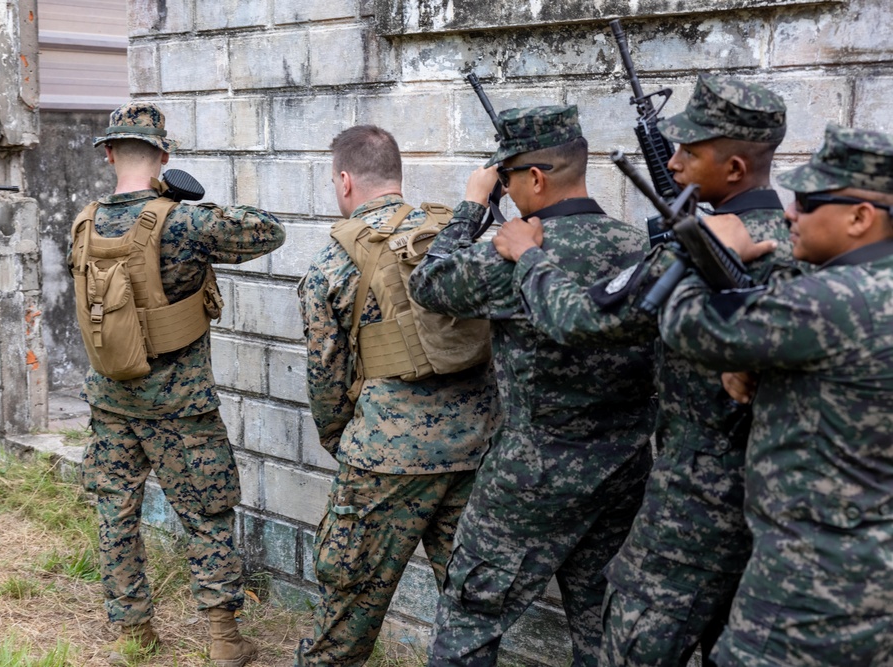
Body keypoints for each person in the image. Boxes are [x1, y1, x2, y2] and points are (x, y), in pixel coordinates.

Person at [491, 76, 792, 666]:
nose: (674, 160)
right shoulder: (800, 242)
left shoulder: (699, 246)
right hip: (773, 504)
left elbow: (580, 320)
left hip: (695, 500)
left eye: (691, 151)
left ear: (733, 167)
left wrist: (526, 254)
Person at [409, 106, 655, 666]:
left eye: (509, 177)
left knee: (470, 620)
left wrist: (473, 207)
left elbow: (427, 282)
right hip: (625, 468)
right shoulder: (641, 249)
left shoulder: (515, 250)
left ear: (535, 178)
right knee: (605, 627)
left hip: (534, 473)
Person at [659, 122, 893, 666]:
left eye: (809, 203)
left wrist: (706, 249)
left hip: (811, 588)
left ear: (861, 216)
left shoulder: (833, 300)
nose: (790, 213)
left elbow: (688, 327)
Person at [70, 101, 285, 667]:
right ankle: (223, 641)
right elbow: (270, 232)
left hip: (111, 399)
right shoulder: (186, 221)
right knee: (206, 515)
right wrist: (183, 195)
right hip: (180, 406)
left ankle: (131, 632)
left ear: (110, 153)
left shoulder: (84, 220)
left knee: (115, 513)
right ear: (164, 155)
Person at [294, 125, 500, 666]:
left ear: (344, 180)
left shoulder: (334, 261)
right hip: (477, 448)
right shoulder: (453, 237)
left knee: (347, 610)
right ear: (397, 175)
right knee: (471, 613)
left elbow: (326, 373)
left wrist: (343, 439)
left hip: (387, 457)